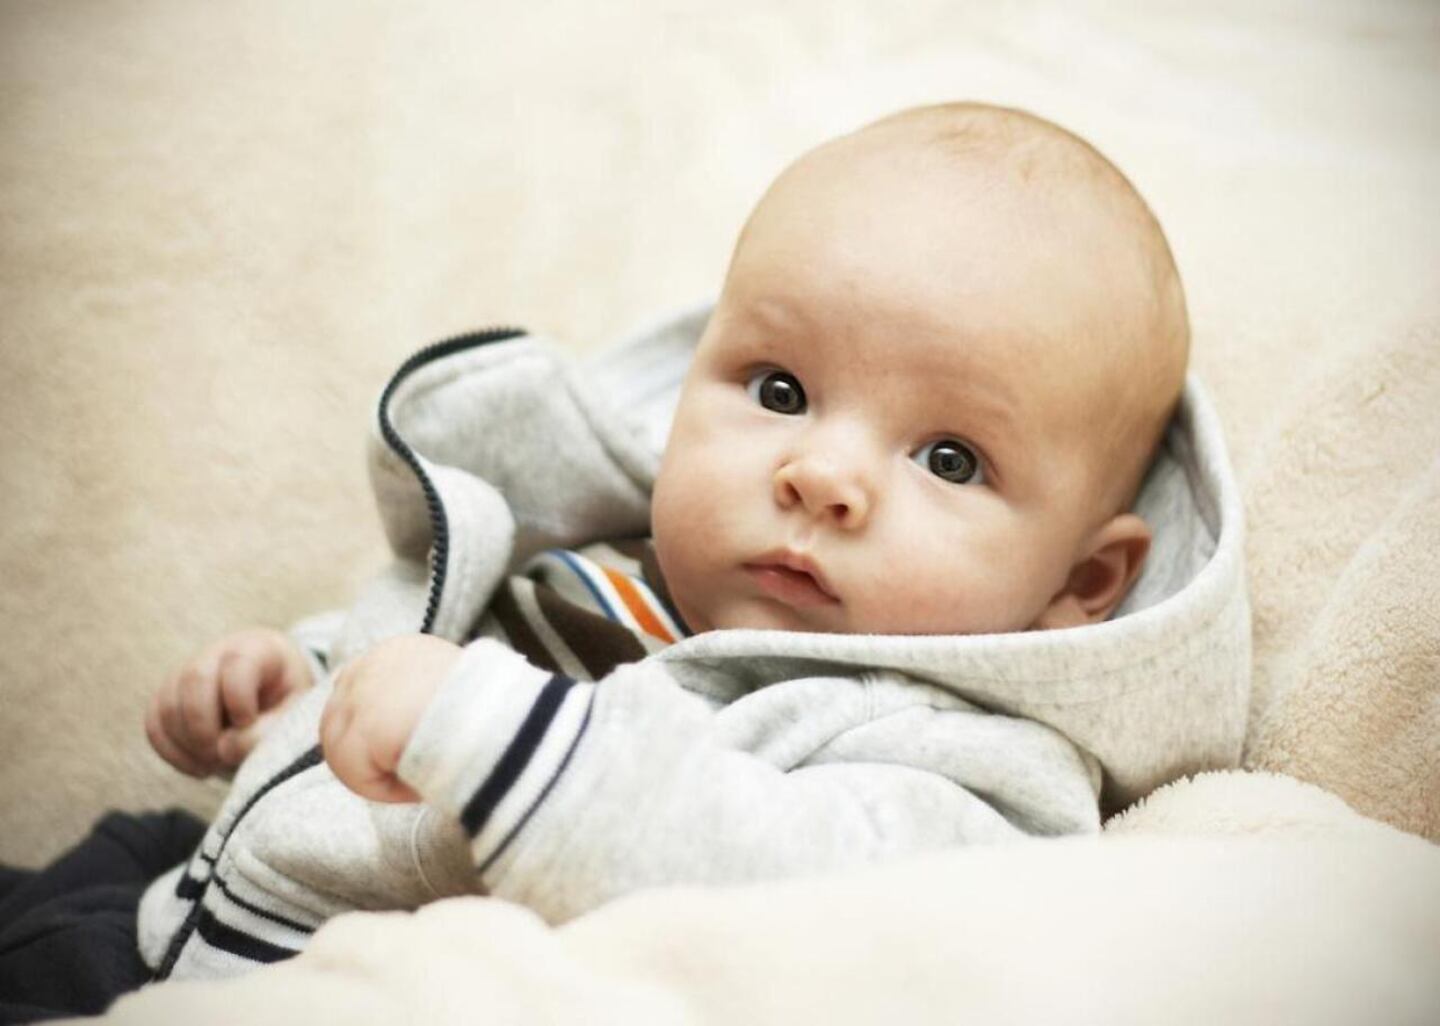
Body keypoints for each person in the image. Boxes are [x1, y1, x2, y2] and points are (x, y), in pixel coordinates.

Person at [4, 101, 1250, 1011]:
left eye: (950, 459)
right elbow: (406, 661)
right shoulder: (598, 554)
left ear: (1082, 585)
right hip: (168, 881)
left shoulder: (964, 755)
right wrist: (295, 686)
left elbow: (815, 900)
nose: (821, 474)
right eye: (780, 388)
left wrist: (488, 735)